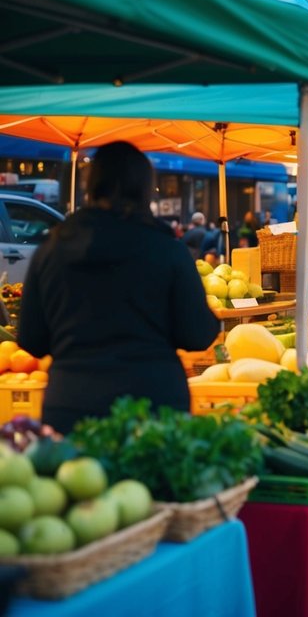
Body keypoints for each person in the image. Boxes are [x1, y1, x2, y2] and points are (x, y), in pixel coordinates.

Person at [18, 141, 219, 432]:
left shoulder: (52, 247)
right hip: (154, 410)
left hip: (72, 407)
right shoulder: (166, 249)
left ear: (92, 184)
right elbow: (198, 335)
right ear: (145, 188)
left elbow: (31, 339)